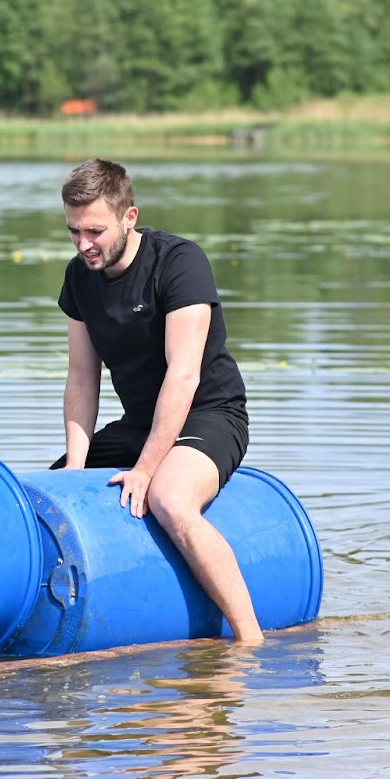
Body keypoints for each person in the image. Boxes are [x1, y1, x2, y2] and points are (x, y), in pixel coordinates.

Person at [52, 157, 263, 642]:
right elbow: (82, 380)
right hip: (140, 423)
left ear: (129, 216)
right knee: (46, 494)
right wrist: (75, 470)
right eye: (73, 232)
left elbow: (183, 377)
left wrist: (146, 470)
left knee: (169, 499)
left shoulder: (179, 262)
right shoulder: (79, 277)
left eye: (95, 231)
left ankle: (251, 641)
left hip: (209, 414)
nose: (84, 244)